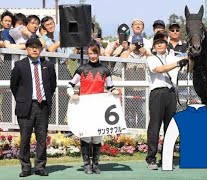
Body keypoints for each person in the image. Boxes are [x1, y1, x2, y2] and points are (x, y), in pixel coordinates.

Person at [67, 41, 120, 174]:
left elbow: (110, 86)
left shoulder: (105, 70)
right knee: (85, 135)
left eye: (95, 53)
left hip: (99, 107)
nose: (93, 56)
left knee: (97, 137)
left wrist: (114, 91)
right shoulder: (81, 69)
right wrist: (72, 94)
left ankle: (95, 164)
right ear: (87, 54)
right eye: (90, 53)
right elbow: (69, 85)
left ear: (99, 53)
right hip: (84, 107)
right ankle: (86, 164)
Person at [10, 38, 57, 177]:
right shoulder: (19, 65)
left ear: (41, 49)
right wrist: (22, 99)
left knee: (42, 138)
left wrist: (44, 99)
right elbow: (14, 86)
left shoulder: (48, 65)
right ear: (27, 49)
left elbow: (52, 86)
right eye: (32, 47)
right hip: (26, 107)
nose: (35, 49)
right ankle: (25, 167)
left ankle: (40, 166)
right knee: (25, 138)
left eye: (37, 47)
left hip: (42, 106)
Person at [145, 31, 189, 170]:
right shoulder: (151, 58)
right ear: (154, 46)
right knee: (155, 126)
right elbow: (158, 69)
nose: (159, 45)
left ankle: (166, 157)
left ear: (166, 44)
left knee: (170, 127)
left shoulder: (172, 57)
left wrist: (190, 58)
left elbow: (186, 69)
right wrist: (177, 63)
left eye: (162, 43)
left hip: (171, 93)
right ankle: (151, 158)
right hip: (157, 93)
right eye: (157, 43)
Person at [121, 35, 149, 128]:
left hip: (142, 89)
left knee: (143, 113)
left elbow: (154, 60)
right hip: (129, 88)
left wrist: (146, 53)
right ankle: (130, 132)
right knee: (130, 114)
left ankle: (142, 133)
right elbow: (120, 60)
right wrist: (129, 49)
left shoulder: (146, 55)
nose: (137, 45)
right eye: (135, 43)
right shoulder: (127, 54)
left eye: (139, 44)